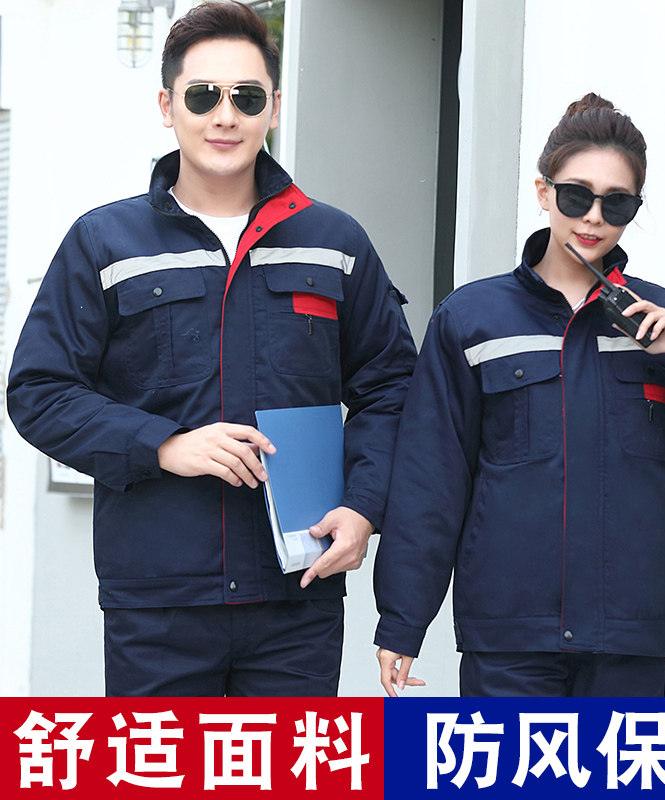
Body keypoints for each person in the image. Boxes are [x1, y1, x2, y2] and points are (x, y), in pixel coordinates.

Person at [7, 0, 416, 697]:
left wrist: (364, 506)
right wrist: (163, 445)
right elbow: (40, 392)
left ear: (274, 109)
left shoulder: (335, 243)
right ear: (167, 106)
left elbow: (392, 388)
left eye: (247, 97)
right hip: (158, 600)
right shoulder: (104, 243)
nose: (225, 115)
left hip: (296, 593)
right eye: (203, 96)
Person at [373, 93, 665, 697]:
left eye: (617, 203)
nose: (593, 218)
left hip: (626, 638)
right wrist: (403, 621)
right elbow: (432, 479)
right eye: (577, 196)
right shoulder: (471, 320)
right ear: (543, 192)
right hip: (509, 638)